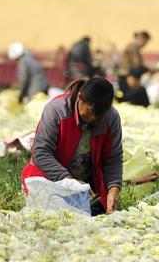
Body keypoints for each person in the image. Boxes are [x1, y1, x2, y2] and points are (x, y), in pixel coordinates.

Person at [21, 77, 123, 216]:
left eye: (99, 116)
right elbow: (41, 152)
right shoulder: (57, 110)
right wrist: (68, 181)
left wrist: (114, 189)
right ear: (80, 98)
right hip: (50, 180)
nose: (94, 118)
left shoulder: (111, 118)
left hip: (85, 189)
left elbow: (113, 159)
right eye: (91, 111)